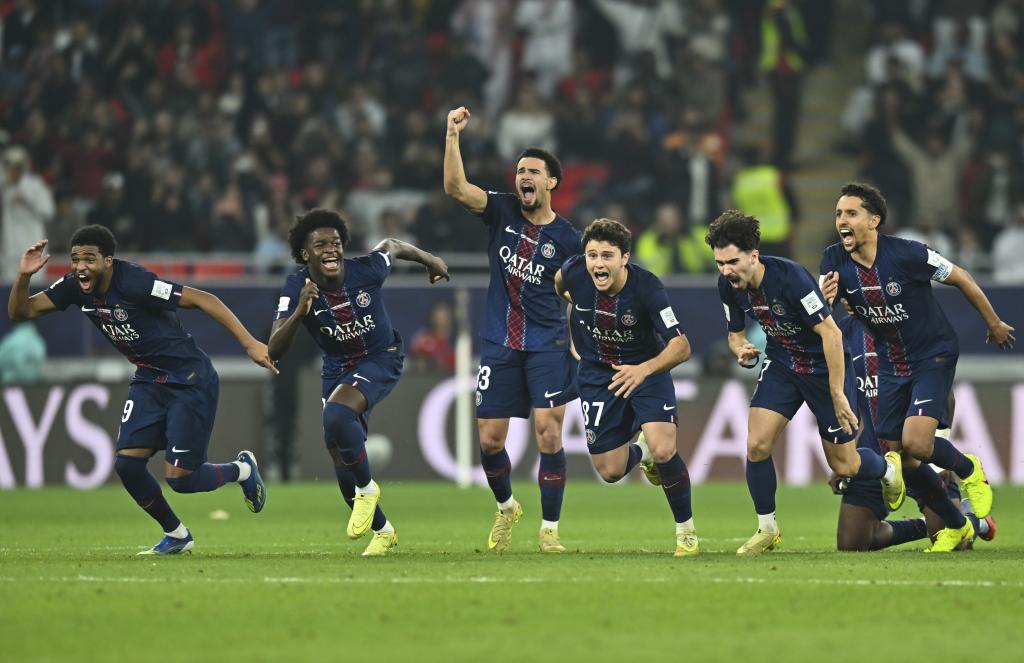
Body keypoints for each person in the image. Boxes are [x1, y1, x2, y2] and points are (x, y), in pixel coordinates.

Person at [7, 226, 276, 555]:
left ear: (108, 261)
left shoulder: (135, 283)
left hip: (189, 379)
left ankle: (242, 470)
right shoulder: (73, 288)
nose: (80, 267)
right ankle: (177, 535)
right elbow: (21, 312)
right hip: (149, 379)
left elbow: (203, 299)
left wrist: (248, 343)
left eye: (89, 259)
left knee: (181, 480)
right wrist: (23, 277)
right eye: (75, 260)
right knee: (127, 465)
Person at [820, 182, 1014, 551]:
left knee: (917, 445)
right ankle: (959, 523)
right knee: (903, 460)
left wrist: (993, 322)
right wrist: (825, 306)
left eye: (850, 213)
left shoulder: (908, 254)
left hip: (932, 354)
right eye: (837, 214)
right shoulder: (833, 263)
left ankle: (967, 469)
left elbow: (960, 277)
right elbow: (819, 312)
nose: (841, 220)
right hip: (895, 367)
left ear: (874, 220)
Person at [706, 210, 904, 557]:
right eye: (720, 263)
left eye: (732, 261)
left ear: (754, 255)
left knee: (845, 466)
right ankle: (767, 528)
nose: (726, 271)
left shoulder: (791, 278)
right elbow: (734, 335)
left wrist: (838, 392)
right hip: (783, 363)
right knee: (756, 445)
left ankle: (886, 467)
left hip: (824, 367)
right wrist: (742, 349)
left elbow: (831, 332)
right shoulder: (728, 285)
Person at [267, 208, 449, 557]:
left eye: (335, 242)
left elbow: (392, 245)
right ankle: (384, 531)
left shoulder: (366, 269)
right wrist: (299, 312)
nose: (331, 250)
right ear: (306, 255)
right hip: (337, 367)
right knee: (339, 458)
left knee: (335, 416)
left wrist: (431, 259)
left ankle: (368, 489)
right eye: (320, 245)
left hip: (381, 355)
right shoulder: (296, 285)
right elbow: (275, 348)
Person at [444, 105, 582, 554]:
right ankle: (506, 507)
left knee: (548, 432)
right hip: (500, 341)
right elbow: (455, 188)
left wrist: (583, 340)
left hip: (548, 345)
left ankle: (550, 530)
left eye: (533, 171)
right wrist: (452, 136)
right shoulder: (500, 210)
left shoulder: (569, 240)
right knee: (489, 439)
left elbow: (581, 295)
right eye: (520, 170)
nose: (523, 176)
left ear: (551, 183)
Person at [554, 218, 699, 556]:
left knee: (665, 449)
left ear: (624, 258)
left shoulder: (647, 287)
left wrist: (643, 370)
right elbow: (560, 285)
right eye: (592, 255)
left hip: (646, 371)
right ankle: (641, 452)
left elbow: (682, 346)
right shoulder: (575, 272)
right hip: (597, 377)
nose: (598, 264)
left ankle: (686, 532)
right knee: (611, 471)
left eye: (607, 255)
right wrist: (573, 324)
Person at [832, 315, 996, 551]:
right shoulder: (842, 331)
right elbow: (853, 403)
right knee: (852, 545)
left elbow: (942, 390)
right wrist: (844, 458)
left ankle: (973, 521)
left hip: (916, 453)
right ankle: (923, 525)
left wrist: (938, 448)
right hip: (876, 454)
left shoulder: (905, 322)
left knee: (957, 546)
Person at [1, 146, 55, 284]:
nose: (14, 170)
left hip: (33, 248)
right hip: (10, 251)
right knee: (9, 294)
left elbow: (49, 211)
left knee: (34, 292)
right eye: (9, 166)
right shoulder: (4, 187)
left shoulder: (35, 184)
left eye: (17, 166)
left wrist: (29, 202)